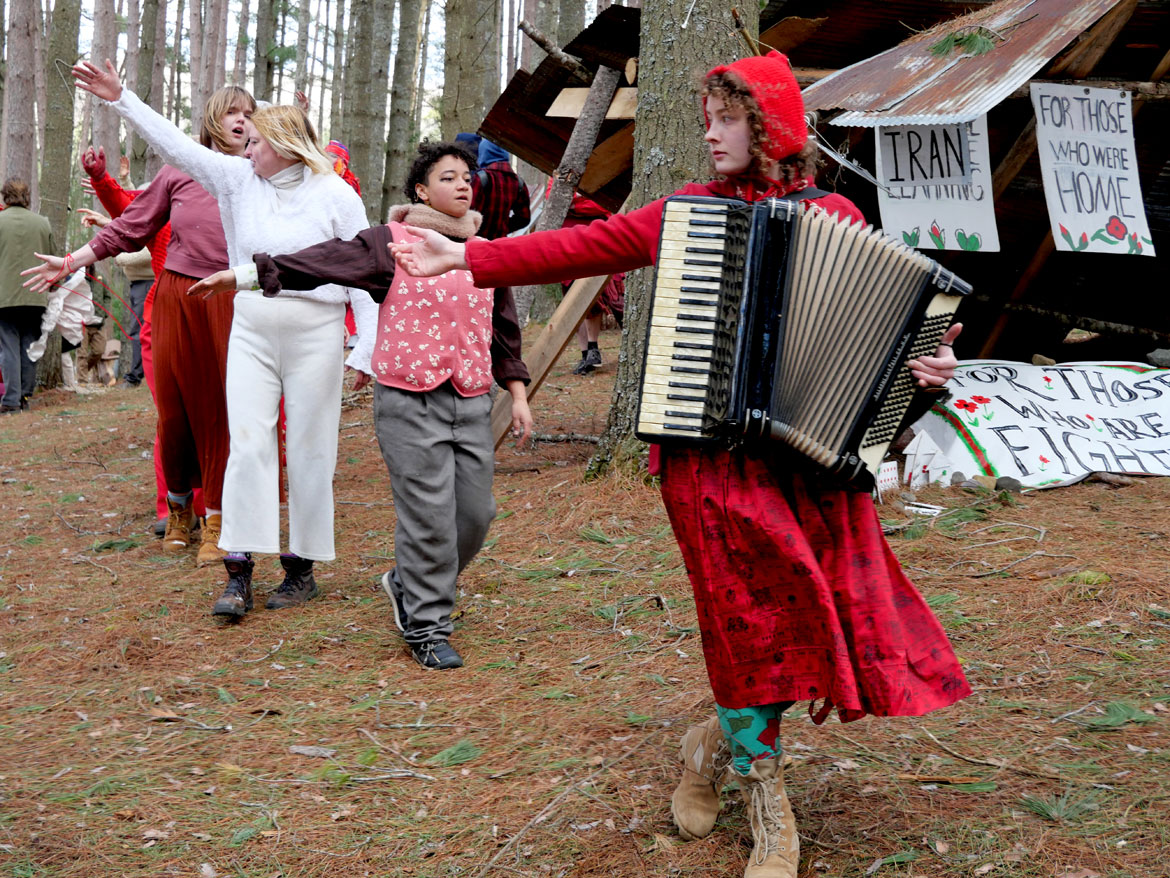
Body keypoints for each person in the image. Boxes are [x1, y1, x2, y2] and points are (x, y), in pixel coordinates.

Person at [389, 52, 970, 877]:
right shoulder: (685, 211)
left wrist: (927, 373)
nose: (710, 131)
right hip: (707, 459)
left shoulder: (837, 212)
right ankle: (769, 803)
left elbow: (894, 346)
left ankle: (712, 744)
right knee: (745, 626)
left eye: (728, 117)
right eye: (709, 116)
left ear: (769, 127)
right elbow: (579, 247)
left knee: (812, 614)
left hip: (806, 462)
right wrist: (466, 260)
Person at [190, 140, 534, 670]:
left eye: (467, 176)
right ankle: (426, 625)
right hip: (407, 398)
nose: (464, 184)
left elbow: (503, 328)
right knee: (429, 518)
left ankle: (406, 581)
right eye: (448, 177)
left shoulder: (483, 249)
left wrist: (516, 394)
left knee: (475, 514)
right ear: (421, 190)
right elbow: (321, 262)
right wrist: (246, 275)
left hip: (469, 396)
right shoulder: (387, 244)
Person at [58, 59, 378, 619]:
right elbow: (178, 146)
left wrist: (366, 347)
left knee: (309, 448)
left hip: (316, 333)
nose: (244, 148)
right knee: (246, 443)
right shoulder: (236, 181)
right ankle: (239, 570)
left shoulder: (335, 194)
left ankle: (300, 568)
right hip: (251, 324)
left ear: (282, 141)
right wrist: (120, 97)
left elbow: (364, 271)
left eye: (254, 139)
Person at [23, 87, 253, 564]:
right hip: (176, 298)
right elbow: (128, 226)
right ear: (213, 118)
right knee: (173, 412)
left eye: (250, 113)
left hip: (229, 300)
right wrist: (72, 260)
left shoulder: (259, 173)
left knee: (218, 412)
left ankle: (217, 520)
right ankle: (178, 508)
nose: (242, 120)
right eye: (232, 110)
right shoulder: (179, 171)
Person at [0, 179, 54, 414]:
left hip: (5, 296)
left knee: (9, 346)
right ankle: (23, 396)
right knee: (29, 346)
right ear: (27, 197)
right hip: (36, 295)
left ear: (5, 196)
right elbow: (53, 258)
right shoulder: (42, 223)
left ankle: (12, 400)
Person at [472, 139, 530, 240]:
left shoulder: (479, 178)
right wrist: (503, 228)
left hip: (474, 243)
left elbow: (468, 212)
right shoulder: (518, 182)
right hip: (500, 244)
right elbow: (524, 218)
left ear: (484, 153)